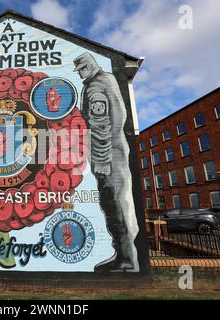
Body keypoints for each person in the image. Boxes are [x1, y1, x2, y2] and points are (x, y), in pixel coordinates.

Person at [73, 52, 139, 271]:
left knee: (113, 204)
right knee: (120, 202)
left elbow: (100, 127)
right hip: (118, 152)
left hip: (108, 155)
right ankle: (125, 256)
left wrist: (101, 161)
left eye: (82, 70)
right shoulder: (109, 78)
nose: (81, 74)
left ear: (89, 67)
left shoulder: (95, 86)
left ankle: (126, 259)